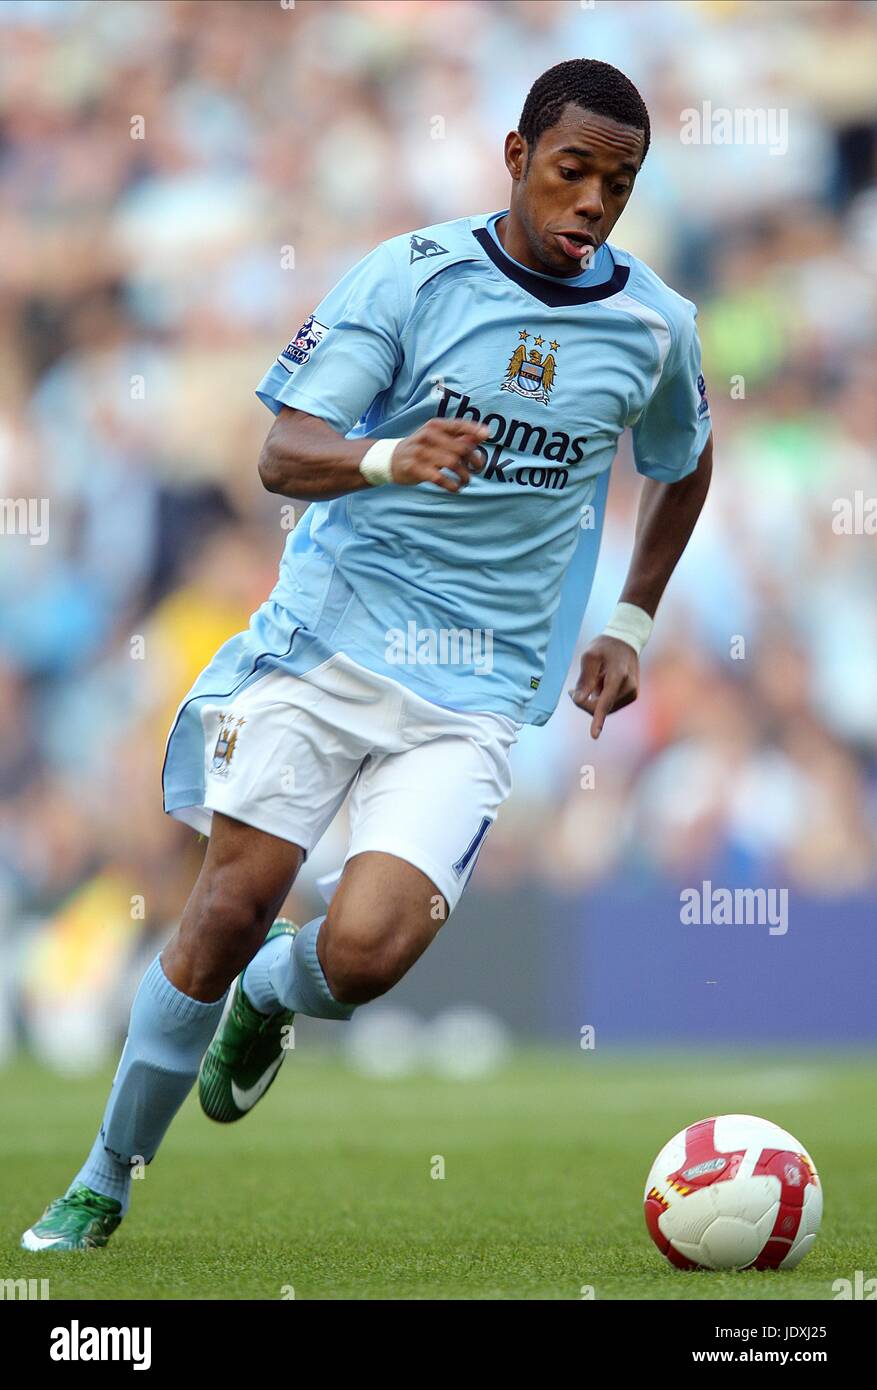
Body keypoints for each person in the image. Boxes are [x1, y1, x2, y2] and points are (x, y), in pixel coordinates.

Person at [23, 58, 712, 1251]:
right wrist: (392, 458)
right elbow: (284, 453)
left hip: (480, 688)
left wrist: (631, 621)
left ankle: (272, 1001)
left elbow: (683, 457)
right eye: (570, 171)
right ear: (513, 156)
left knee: (370, 950)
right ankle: (105, 1175)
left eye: (618, 182)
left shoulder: (654, 325)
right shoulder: (408, 277)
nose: (593, 203)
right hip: (328, 644)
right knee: (232, 901)